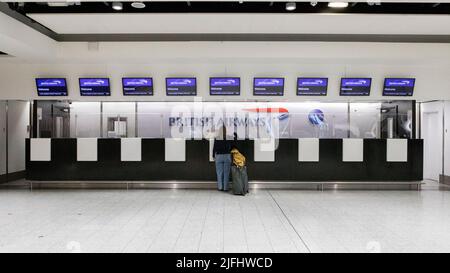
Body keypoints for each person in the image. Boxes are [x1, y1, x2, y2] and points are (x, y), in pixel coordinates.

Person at [213, 126, 233, 191]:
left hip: (219, 156)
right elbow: (232, 146)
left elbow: (214, 147)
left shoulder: (217, 137)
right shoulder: (229, 137)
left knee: (219, 172)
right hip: (227, 155)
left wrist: (213, 155)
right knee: (226, 173)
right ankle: (225, 188)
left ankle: (220, 187)